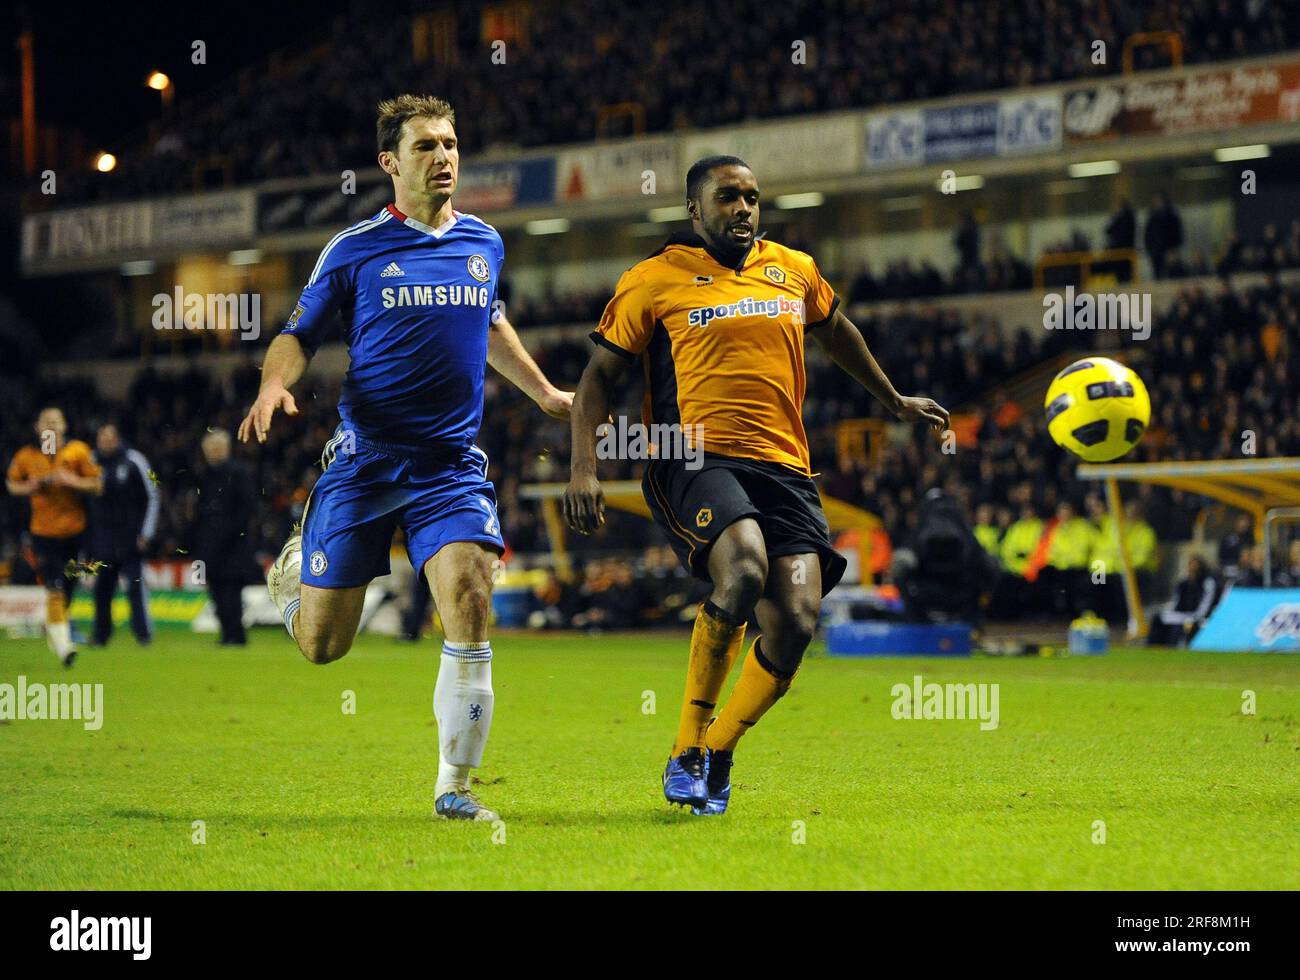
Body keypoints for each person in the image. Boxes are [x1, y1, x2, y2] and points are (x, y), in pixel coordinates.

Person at [564, 155, 948, 816]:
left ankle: (718, 749)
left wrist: (890, 399)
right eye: (727, 197)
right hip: (690, 457)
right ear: (694, 210)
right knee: (741, 570)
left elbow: (837, 330)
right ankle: (686, 749)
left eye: (752, 197)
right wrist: (583, 468)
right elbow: (599, 378)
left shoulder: (793, 268)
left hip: (786, 469)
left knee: (797, 619)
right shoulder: (653, 280)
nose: (743, 208)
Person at [238, 94, 572, 822]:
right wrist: (271, 388)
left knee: (472, 601)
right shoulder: (353, 248)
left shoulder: (484, 242)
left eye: (451, 144)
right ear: (390, 162)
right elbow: (298, 335)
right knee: (325, 648)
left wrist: (544, 393)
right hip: (364, 462)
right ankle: (293, 587)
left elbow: (490, 321)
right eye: (426, 146)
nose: (444, 157)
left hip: (449, 465)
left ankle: (453, 786)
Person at [5, 407, 102, 666]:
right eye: (46, 421)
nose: (50, 425)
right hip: (43, 535)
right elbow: (12, 484)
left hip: (75, 533)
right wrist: (30, 486)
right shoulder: (26, 456)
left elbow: (97, 483)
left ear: (64, 426)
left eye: (55, 421)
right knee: (54, 587)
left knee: (68, 589)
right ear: (37, 428)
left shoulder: (78, 451)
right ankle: (64, 647)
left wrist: (72, 481)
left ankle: (55, 628)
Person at [89, 423, 158, 646]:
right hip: (103, 539)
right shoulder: (90, 462)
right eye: (102, 438)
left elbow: (153, 495)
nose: (106, 442)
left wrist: (146, 532)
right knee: (102, 589)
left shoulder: (134, 460)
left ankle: (143, 634)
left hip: (130, 538)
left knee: (135, 587)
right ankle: (101, 635)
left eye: (110, 437)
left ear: (118, 439)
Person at [193, 430, 257, 646]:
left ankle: (236, 635)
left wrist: (231, 532)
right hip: (209, 544)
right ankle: (226, 634)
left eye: (216, 448)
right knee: (215, 589)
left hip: (233, 545)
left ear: (226, 449)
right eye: (209, 449)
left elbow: (248, 507)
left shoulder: (238, 472)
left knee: (231, 591)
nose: (212, 453)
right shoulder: (204, 475)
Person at [1147, 555, 1219, 646]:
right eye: (1190, 567)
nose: (1191, 570)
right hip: (1181, 614)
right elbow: (1175, 602)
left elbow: (1205, 604)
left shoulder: (1207, 583)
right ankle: (1152, 646)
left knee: (1177, 627)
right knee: (1157, 619)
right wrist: (1173, 611)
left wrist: (1198, 616)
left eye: (1195, 567)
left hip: (1195, 615)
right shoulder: (1183, 584)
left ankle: (1172, 647)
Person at [1144, 191, 1184, 280]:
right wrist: (1149, 248)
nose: (1155, 202)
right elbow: (1148, 233)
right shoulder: (1152, 215)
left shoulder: (1171, 214)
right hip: (1155, 250)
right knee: (1158, 274)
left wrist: (1173, 249)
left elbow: (1175, 232)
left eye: (1157, 200)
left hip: (1167, 249)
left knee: (1172, 274)